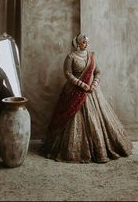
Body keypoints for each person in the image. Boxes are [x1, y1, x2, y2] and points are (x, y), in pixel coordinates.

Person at [41, 34, 133, 163]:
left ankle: (100, 150)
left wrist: (94, 84)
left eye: (87, 42)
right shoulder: (71, 56)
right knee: (71, 118)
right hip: (74, 91)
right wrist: (81, 84)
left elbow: (98, 72)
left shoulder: (91, 56)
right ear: (78, 43)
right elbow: (67, 74)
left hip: (92, 92)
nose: (86, 44)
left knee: (97, 119)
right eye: (84, 42)